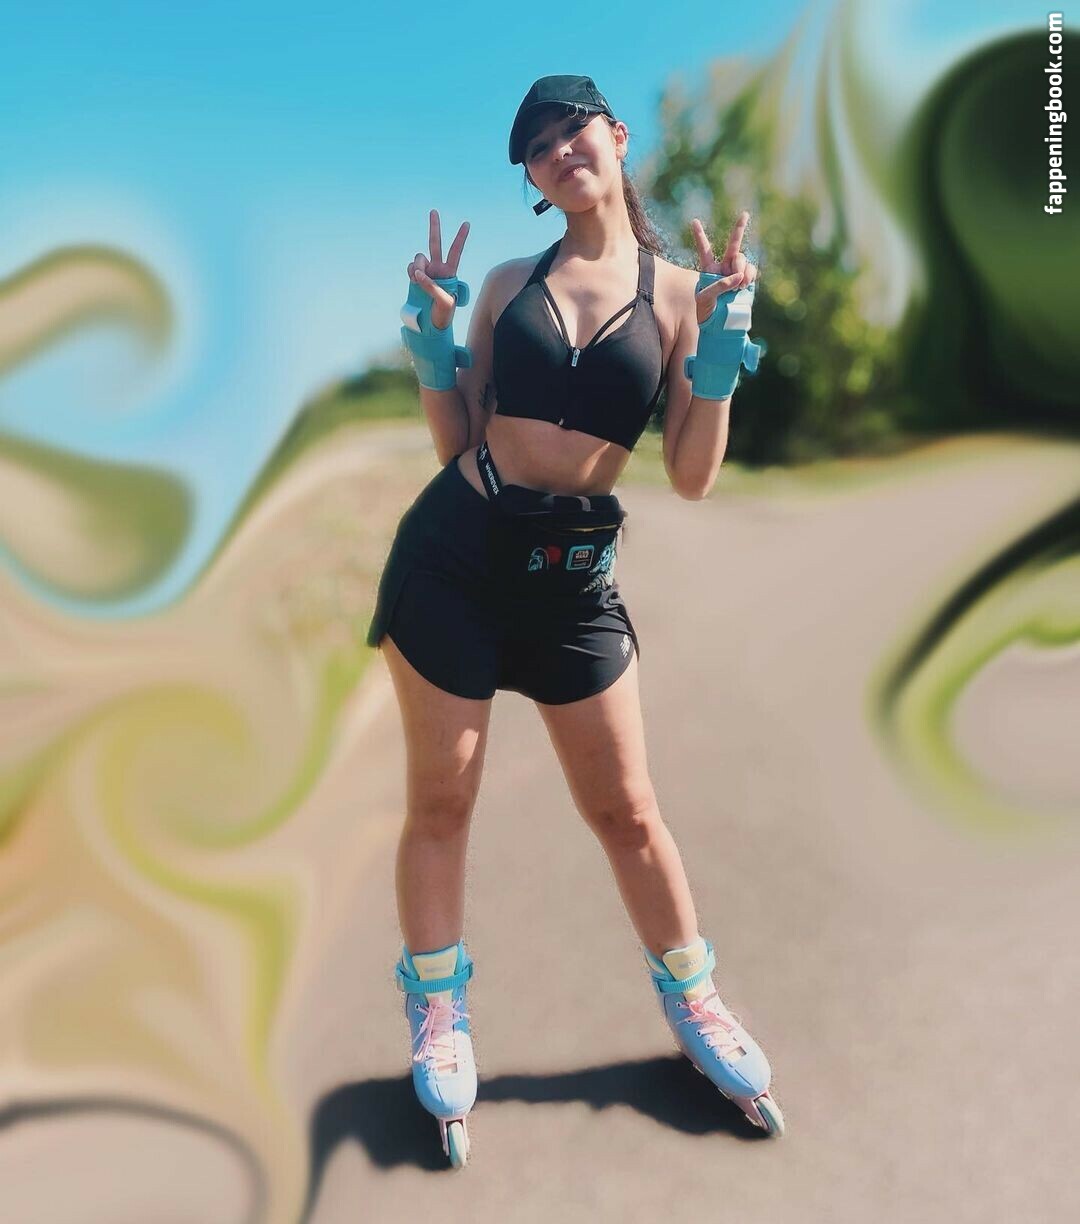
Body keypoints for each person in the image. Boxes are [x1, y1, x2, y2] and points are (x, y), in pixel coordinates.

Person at [368, 75, 781, 1166]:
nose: (560, 150)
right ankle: (438, 1008)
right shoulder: (510, 283)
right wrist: (431, 346)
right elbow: (456, 441)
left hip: (572, 581)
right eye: (538, 146)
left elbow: (691, 474)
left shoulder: (684, 294)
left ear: (616, 135)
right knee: (442, 801)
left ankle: (696, 1002)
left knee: (628, 812)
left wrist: (722, 351)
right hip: (453, 557)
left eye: (573, 128)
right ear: (534, 181)